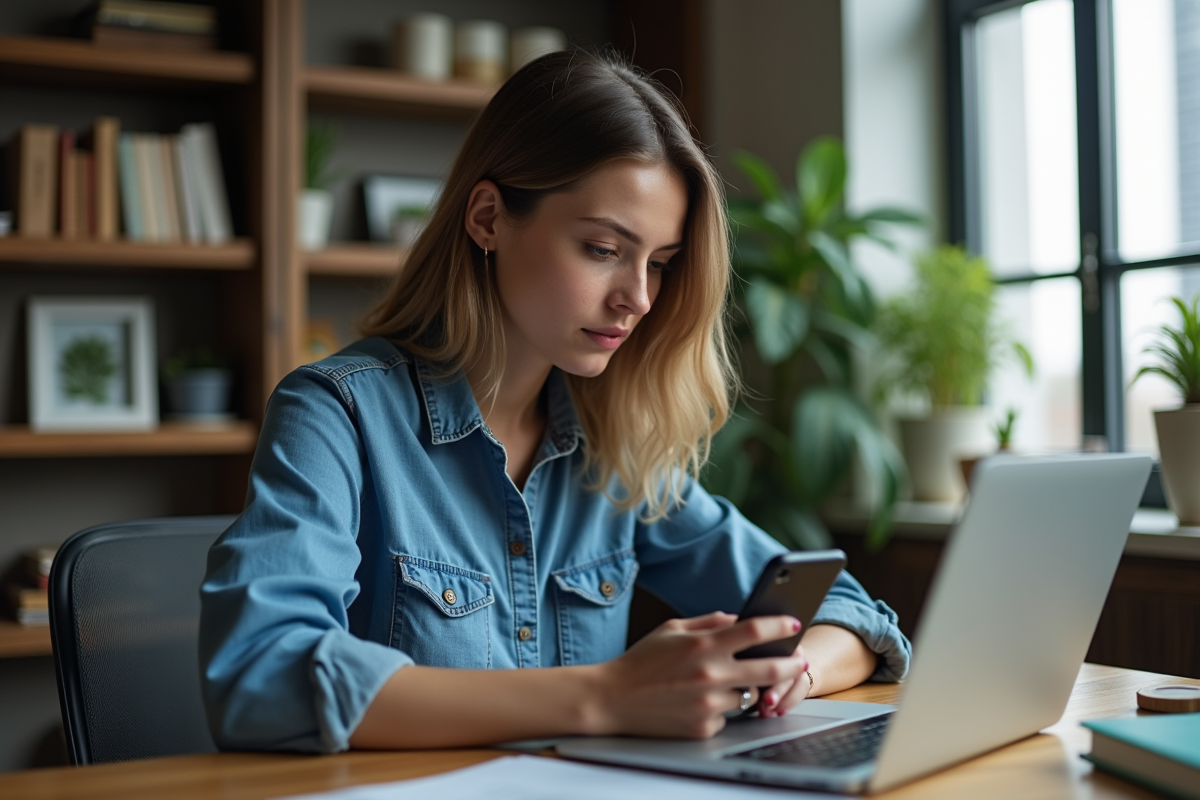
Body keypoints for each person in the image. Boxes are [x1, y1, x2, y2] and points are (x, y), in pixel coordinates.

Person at [199, 50, 910, 753]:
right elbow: (261, 676)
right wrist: (607, 695)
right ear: (487, 218)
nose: (637, 297)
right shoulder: (335, 415)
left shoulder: (615, 448)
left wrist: (790, 672)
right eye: (604, 249)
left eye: (659, 264)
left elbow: (848, 612)